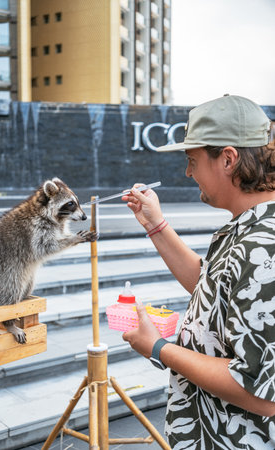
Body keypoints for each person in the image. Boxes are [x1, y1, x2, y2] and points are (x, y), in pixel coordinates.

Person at [121, 94, 275, 449]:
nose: (188, 172)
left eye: (192, 161)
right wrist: (155, 224)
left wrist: (158, 347)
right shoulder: (248, 227)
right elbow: (217, 287)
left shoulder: (264, 245)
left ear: (228, 159)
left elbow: (262, 391)